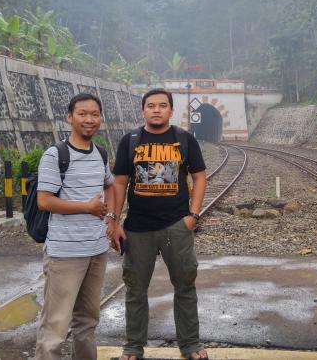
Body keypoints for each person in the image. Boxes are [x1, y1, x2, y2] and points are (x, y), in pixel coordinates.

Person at [108, 88, 209, 360]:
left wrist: (193, 215)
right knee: (135, 289)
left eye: (162, 105)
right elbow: (119, 182)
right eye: (150, 105)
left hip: (176, 225)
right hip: (138, 227)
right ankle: (132, 347)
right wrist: (114, 221)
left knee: (185, 285)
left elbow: (199, 177)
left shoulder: (185, 139)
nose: (156, 109)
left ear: (171, 111)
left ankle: (190, 345)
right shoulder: (130, 141)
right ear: (143, 110)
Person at [34, 93, 115, 360]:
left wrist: (112, 218)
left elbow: (109, 185)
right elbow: (44, 201)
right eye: (82, 114)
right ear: (70, 117)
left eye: (94, 114)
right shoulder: (55, 155)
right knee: (55, 326)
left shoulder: (99, 153)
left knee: (88, 323)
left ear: (100, 119)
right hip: (65, 253)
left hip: (97, 250)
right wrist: (87, 207)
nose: (89, 119)